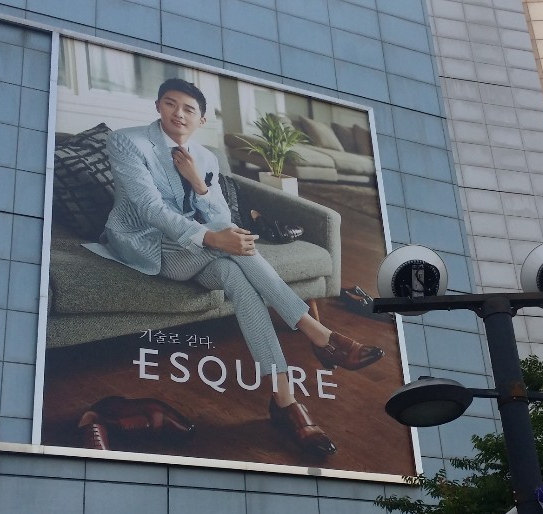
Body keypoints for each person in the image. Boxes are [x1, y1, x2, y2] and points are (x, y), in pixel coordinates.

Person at [101, 78, 384, 455]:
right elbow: (149, 208)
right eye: (170, 104)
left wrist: (199, 184)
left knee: (238, 276)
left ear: (201, 120)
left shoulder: (205, 158)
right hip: (148, 242)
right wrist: (213, 238)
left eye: (189, 109)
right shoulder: (127, 141)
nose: (178, 113)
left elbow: (220, 215)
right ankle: (317, 333)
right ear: (158, 106)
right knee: (235, 247)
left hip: (193, 247)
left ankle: (284, 398)